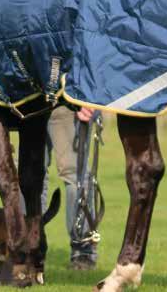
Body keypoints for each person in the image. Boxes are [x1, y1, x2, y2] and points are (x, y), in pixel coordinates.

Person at [45, 105, 99, 270]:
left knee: (74, 173)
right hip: (33, 99)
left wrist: (86, 94)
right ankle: (23, 245)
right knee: (27, 173)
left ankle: (83, 249)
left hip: (68, 102)